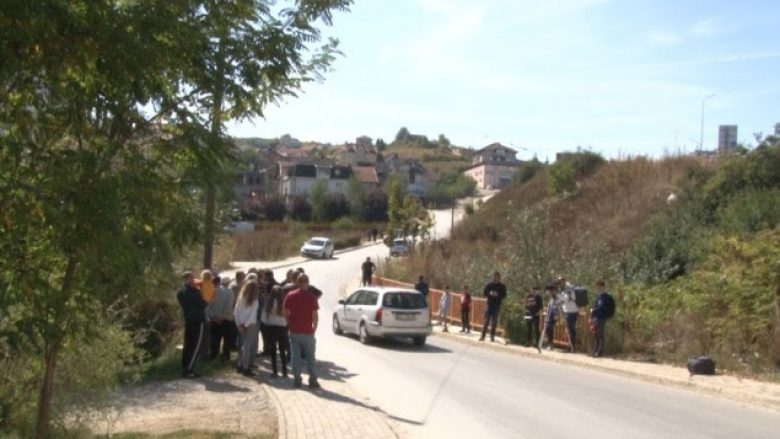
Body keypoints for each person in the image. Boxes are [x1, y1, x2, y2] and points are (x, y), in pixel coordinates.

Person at [283, 274, 320, 389]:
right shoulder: (311, 297)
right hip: (308, 331)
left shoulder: (290, 295)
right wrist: (314, 328)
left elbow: (284, 311)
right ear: (307, 283)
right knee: (310, 357)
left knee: (295, 357)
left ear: (297, 283)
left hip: (294, 330)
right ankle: (313, 380)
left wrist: (288, 322)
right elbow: (315, 315)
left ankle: (297, 380)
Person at [176, 271, 207, 378]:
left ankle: (185, 367)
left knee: (188, 344)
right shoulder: (194, 291)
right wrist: (201, 291)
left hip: (188, 320)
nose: (194, 280)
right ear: (188, 279)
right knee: (195, 345)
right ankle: (189, 369)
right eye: (192, 278)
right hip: (197, 320)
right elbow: (204, 304)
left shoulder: (180, 292)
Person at [208, 276, 238, 361]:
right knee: (227, 339)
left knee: (215, 339)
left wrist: (213, 316)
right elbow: (229, 306)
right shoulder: (229, 292)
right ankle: (225, 357)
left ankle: (213, 356)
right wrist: (222, 317)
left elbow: (208, 306)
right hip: (226, 319)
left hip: (215, 319)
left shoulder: (213, 291)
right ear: (228, 283)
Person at [234, 280, 260, 376]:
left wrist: (239, 324)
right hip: (250, 325)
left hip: (241, 324)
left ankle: (239, 364)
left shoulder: (240, 298)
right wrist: (245, 325)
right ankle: (245, 367)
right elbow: (252, 315)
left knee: (242, 345)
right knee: (247, 346)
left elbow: (236, 312)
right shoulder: (255, 301)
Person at [262, 285, 289, 377]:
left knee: (273, 350)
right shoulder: (284, 302)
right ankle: (284, 371)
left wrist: (266, 323)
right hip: (282, 326)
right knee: (282, 350)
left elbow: (264, 316)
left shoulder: (269, 302)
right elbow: (288, 315)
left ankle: (275, 371)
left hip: (272, 326)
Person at [480, 272, 507, 342]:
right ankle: (483, 336)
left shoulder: (502, 286)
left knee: (494, 322)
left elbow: (504, 295)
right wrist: (490, 293)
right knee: (486, 321)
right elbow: (484, 293)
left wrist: (498, 294)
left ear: (499, 278)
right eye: (495, 277)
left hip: (497, 306)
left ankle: (492, 337)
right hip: (489, 305)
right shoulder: (489, 285)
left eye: (497, 277)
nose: (496, 278)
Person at [590, 280, 612, 357]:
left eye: (599, 286)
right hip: (596, 317)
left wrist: (594, 310)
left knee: (600, 334)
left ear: (603, 287)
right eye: (597, 286)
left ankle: (599, 351)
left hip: (601, 317)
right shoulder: (599, 296)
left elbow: (601, 307)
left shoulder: (604, 297)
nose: (597, 288)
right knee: (595, 334)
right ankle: (595, 350)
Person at [557, 276, 579, 353]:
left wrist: (558, 296)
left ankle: (572, 347)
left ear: (564, 281)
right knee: (569, 330)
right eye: (559, 282)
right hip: (568, 311)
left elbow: (567, 299)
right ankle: (570, 346)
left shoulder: (568, 288)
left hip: (571, 311)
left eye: (561, 282)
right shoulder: (564, 289)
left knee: (570, 330)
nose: (560, 284)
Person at [540, 285, 559, 350]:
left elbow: (556, 307)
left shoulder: (556, 298)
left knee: (549, 329)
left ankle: (550, 344)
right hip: (549, 315)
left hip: (553, 315)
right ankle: (549, 344)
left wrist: (556, 315)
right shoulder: (551, 299)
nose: (547, 293)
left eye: (548, 291)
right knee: (548, 329)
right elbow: (550, 307)